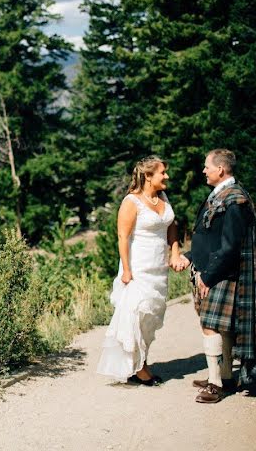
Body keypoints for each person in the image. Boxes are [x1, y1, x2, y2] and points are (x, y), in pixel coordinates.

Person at [172, 149, 256, 404]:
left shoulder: (235, 199)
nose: (204, 170)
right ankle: (224, 376)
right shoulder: (222, 194)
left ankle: (216, 384)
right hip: (214, 268)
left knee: (210, 326)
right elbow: (210, 236)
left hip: (222, 271)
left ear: (221, 170)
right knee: (220, 327)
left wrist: (209, 276)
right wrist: (190, 256)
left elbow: (230, 245)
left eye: (207, 166)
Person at [97, 156, 182, 385]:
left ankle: (140, 360)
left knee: (151, 318)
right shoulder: (131, 202)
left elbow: (172, 228)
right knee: (136, 315)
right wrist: (126, 270)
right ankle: (140, 369)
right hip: (138, 269)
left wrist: (174, 253)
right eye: (162, 172)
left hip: (159, 270)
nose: (166, 176)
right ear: (148, 176)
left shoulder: (162, 197)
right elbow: (123, 237)